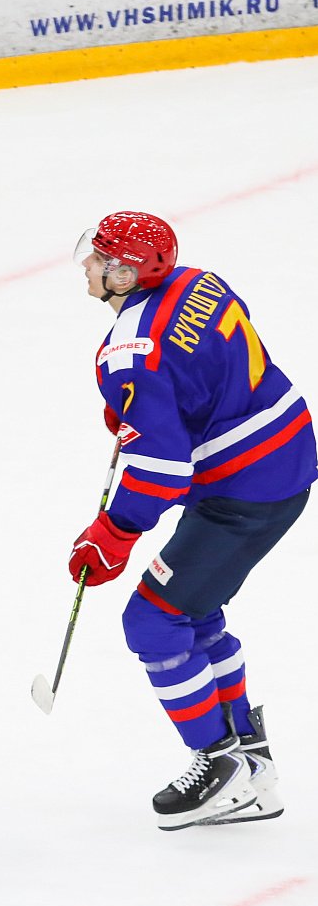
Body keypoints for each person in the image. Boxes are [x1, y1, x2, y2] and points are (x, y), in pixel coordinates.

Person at [66, 211, 314, 830]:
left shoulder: (130, 354)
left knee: (151, 619)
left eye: (100, 258)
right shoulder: (201, 281)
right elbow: (219, 353)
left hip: (244, 492)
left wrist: (115, 533)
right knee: (194, 612)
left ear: (126, 275)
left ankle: (222, 766)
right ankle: (253, 766)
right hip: (284, 452)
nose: (88, 264)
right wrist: (160, 404)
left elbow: (161, 467)